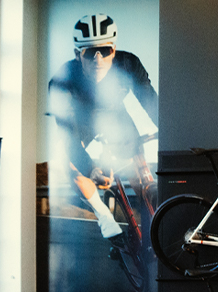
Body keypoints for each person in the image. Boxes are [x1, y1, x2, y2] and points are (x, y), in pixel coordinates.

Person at [48, 13, 158, 248]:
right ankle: (104, 217)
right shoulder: (62, 81)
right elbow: (69, 138)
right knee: (71, 164)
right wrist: (91, 169)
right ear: (78, 54)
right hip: (80, 123)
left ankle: (153, 221)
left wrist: (170, 133)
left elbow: (152, 104)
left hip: (114, 116)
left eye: (104, 51)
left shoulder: (129, 64)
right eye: (90, 53)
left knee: (139, 168)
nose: (98, 59)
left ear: (114, 50)